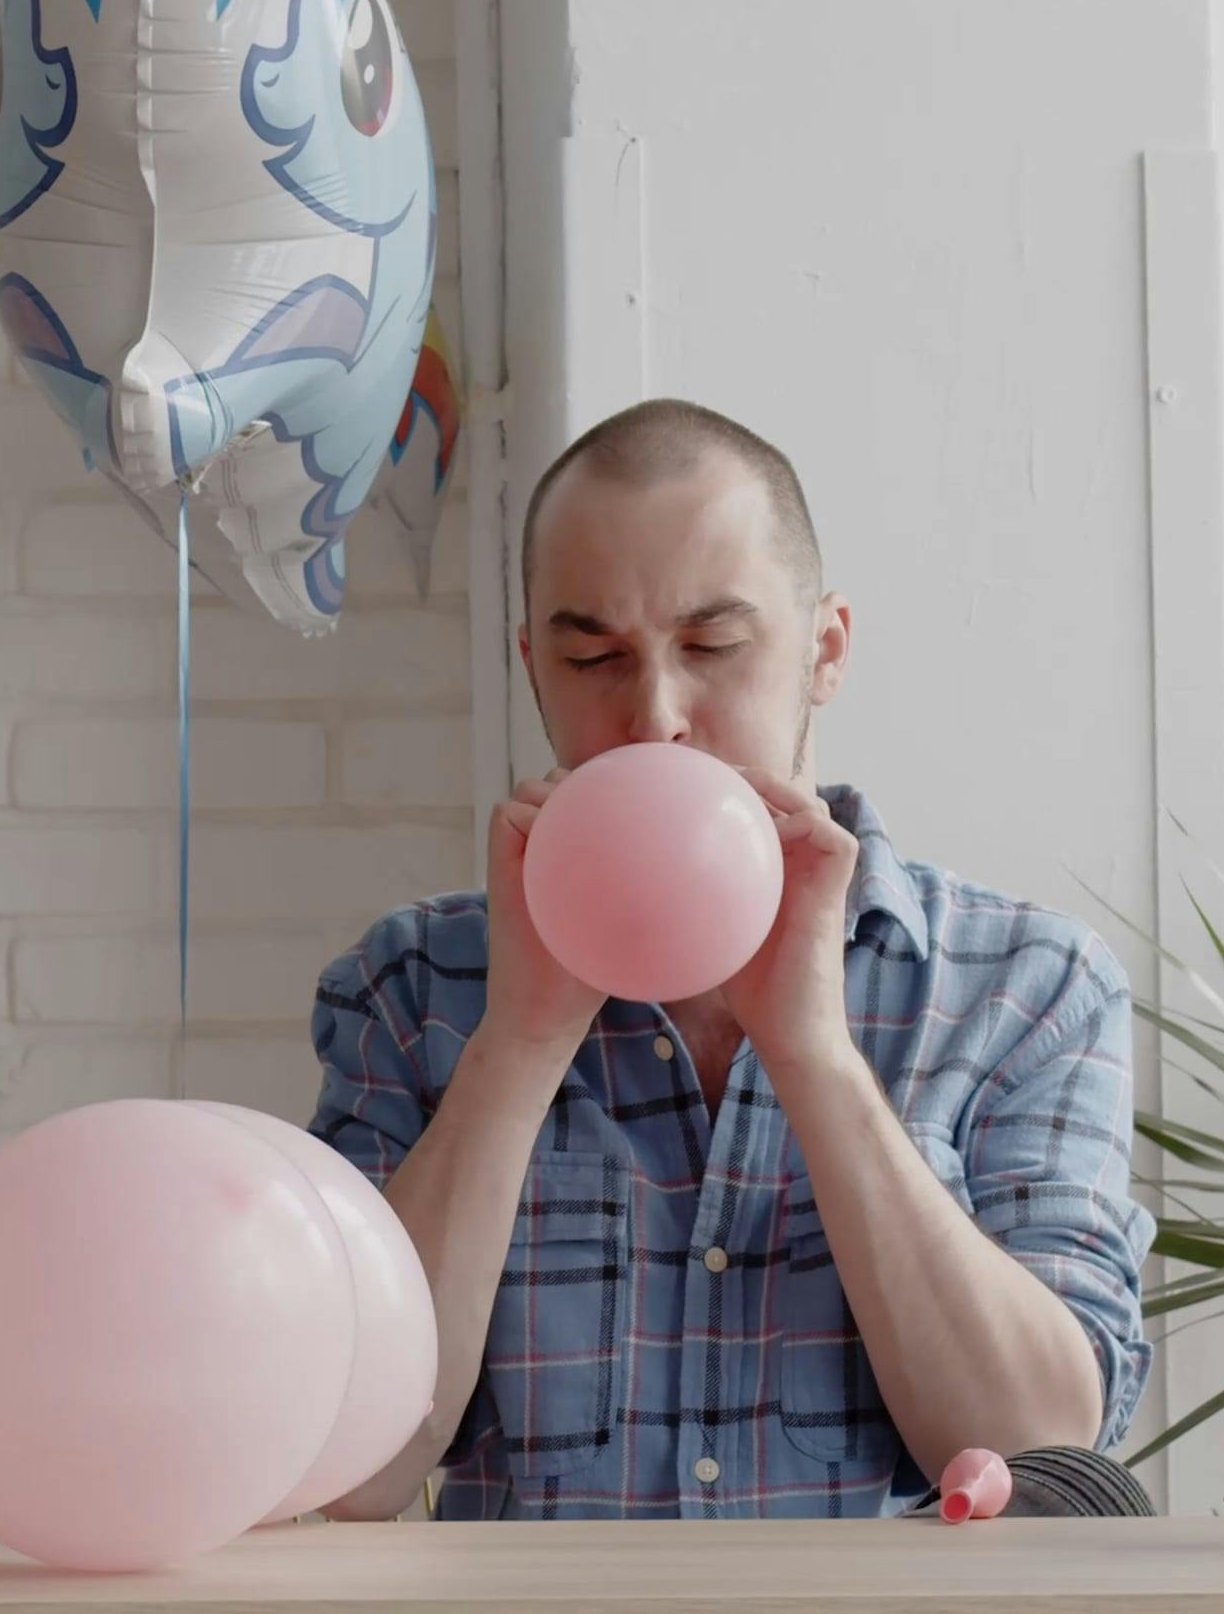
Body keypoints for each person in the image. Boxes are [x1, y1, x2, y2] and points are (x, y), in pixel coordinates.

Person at [308, 399, 1152, 1521]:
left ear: (825, 649)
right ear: (532, 666)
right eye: (593, 657)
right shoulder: (415, 984)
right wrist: (518, 1044)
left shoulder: (1030, 987)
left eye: (712, 647)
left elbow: (1044, 1447)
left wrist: (815, 1055)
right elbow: (346, 1465)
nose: (655, 715)